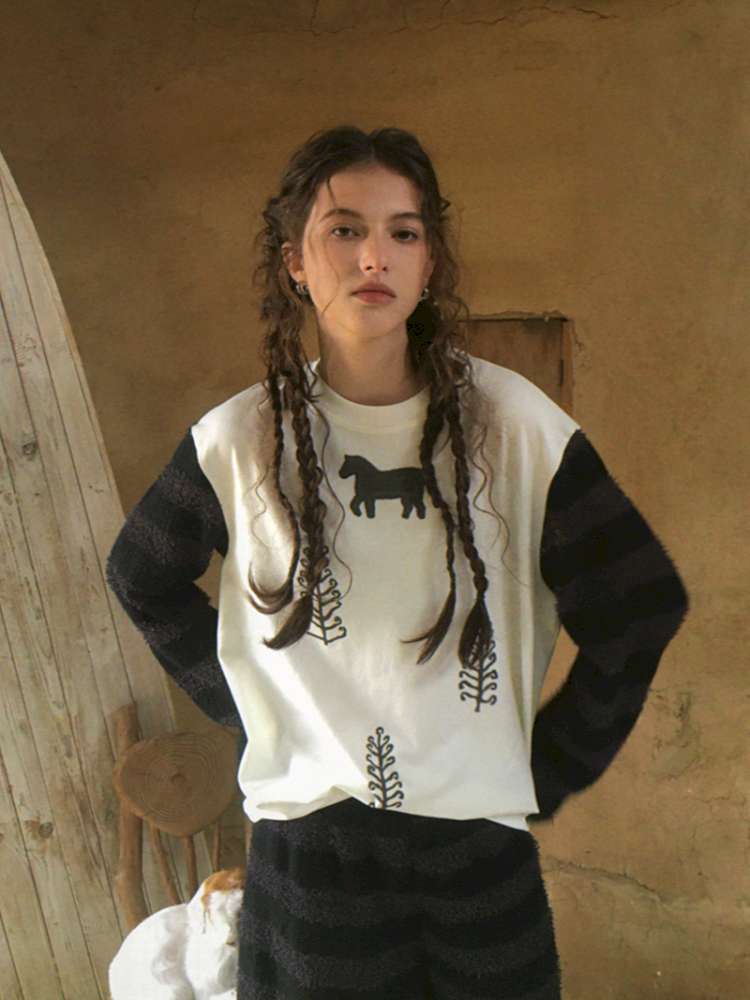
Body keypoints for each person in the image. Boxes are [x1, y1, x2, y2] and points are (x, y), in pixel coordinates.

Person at [105, 125, 690, 1000]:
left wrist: (552, 765)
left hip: (479, 861)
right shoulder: (241, 438)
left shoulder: (517, 426)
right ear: (294, 261)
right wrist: (255, 706)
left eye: (403, 232)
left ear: (429, 264)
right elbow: (140, 574)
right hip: (312, 866)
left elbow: (640, 601)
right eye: (344, 229)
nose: (373, 255)